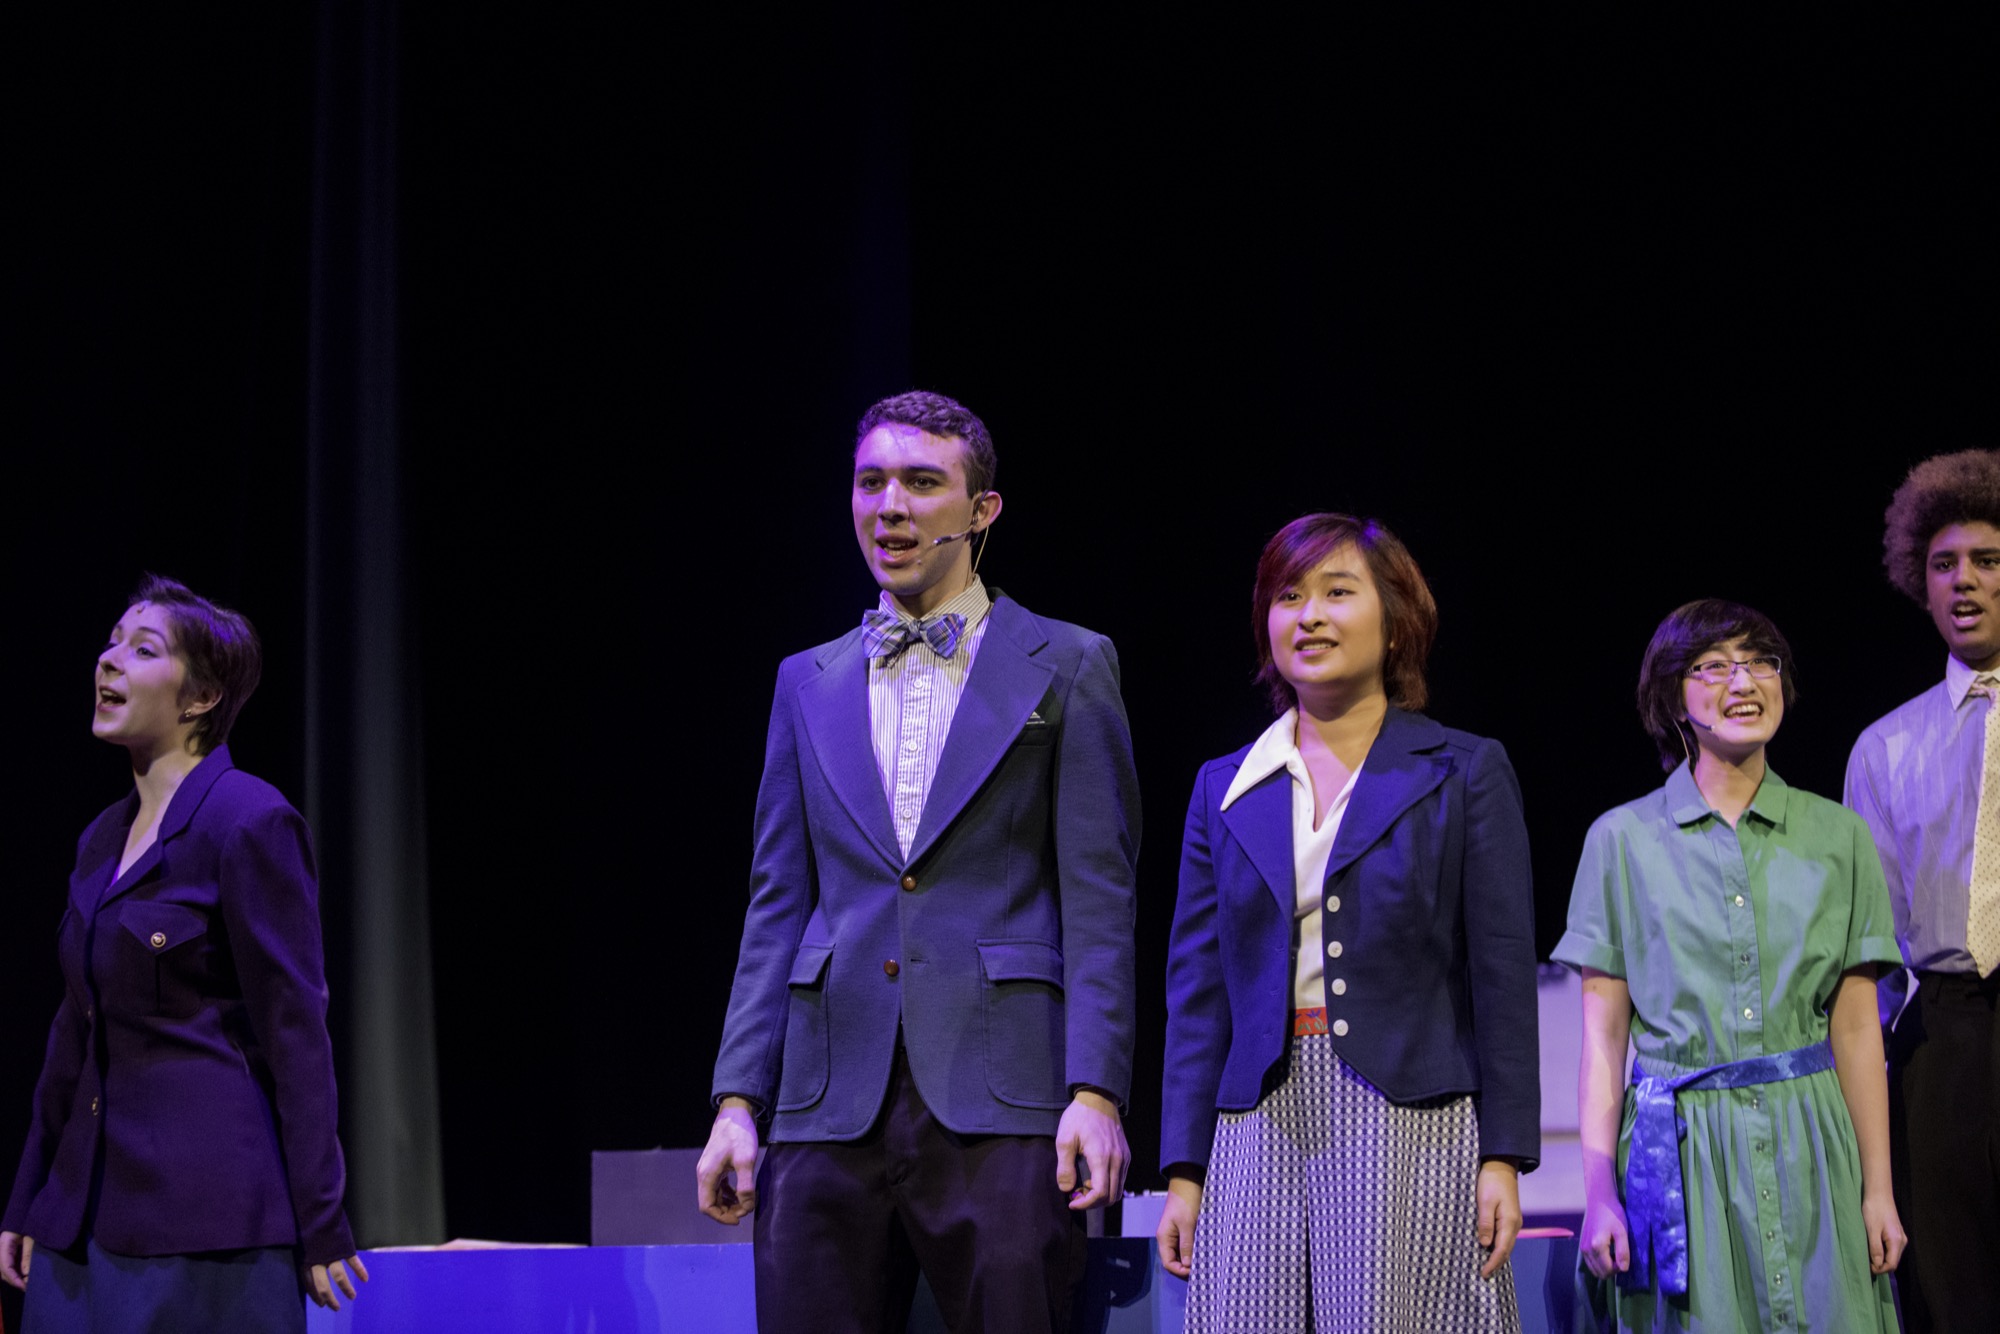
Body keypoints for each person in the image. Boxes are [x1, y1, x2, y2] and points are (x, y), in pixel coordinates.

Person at [695, 391, 1141, 1333]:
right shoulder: (805, 681)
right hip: (826, 1099)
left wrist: (1096, 1092)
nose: (890, 507)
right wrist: (738, 1101)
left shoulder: (1068, 663)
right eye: (871, 483)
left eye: (921, 482)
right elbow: (776, 907)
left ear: (982, 510)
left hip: (1004, 1096)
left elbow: (1100, 902)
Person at [1157, 512, 1539, 1332]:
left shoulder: (1462, 770)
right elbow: (1198, 994)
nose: (1310, 616)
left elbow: (1502, 976)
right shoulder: (1226, 786)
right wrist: (1185, 1170)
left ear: (1395, 622)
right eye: (1289, 596)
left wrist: (1504, 1155)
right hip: (1258, 1116)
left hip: (1409, 1115)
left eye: (1337, 593)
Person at [0, 575, 366, 1330]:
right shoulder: (100, 839)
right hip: (79, 1221)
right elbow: (75, 1030)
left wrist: (321, 1217)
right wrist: (31, 1193)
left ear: (200, 697)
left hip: (204, 1228)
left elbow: (295, 1032)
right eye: (111, 643)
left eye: (143, 649)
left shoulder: (249, 820)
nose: (109, 660)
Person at [1557, 599, 1903, 1332]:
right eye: (1712, 667)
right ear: (1673, 699)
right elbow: (1603, 1040)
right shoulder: (1621, 841)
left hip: (1812, 1147)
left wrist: (1878, 1189)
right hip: (1681, 1159)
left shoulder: (1839, 836)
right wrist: (1599, 1193)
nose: (1742, 681)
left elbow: (1856, 1031)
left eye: (1758, 663)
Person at [1844, 448, 2000, 1333]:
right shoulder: (1884, 748)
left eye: (1987, 560)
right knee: (1948, 1289)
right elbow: (1873, 937)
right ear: (1921, 581)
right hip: (1940, 1037)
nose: (1964, 581)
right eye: (1944, 564)